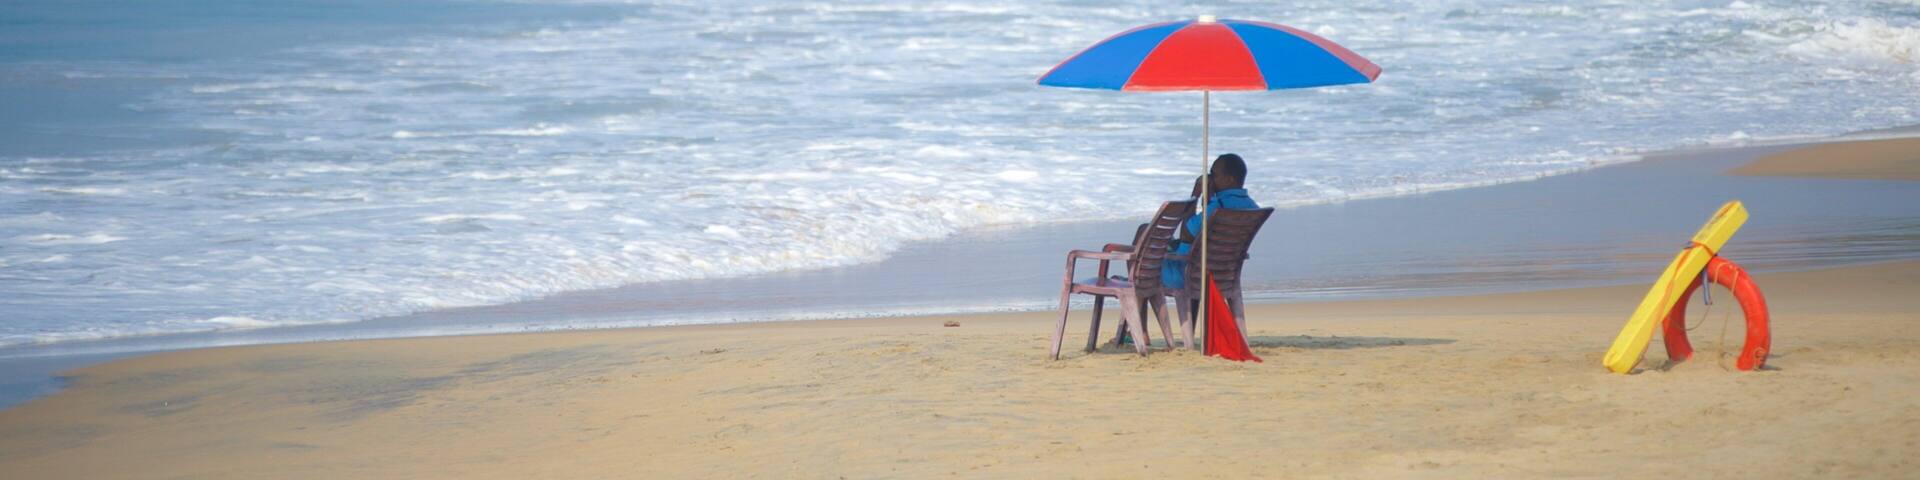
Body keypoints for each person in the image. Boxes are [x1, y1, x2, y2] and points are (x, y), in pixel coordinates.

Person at [1162, 153, 1258, 291]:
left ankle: (1138, 303)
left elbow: (1186, 235)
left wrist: (1195, 194)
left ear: (1229, 179)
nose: (1211, 179)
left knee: (1144, 243)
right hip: (1225, 275)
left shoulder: (1219, 206)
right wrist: (1209, 198)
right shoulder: (1252, 207)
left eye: (1214, 175)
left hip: (1189, 274)